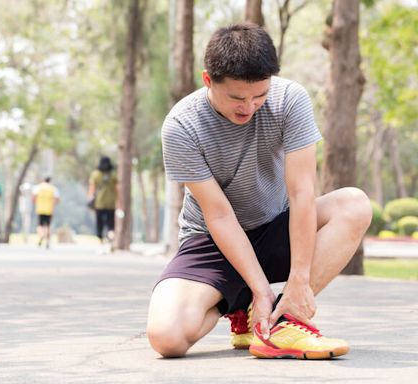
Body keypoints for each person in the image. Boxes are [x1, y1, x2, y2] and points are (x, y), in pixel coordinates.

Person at [147, 23, 372, 360]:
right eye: (237, 97)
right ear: (208, 79)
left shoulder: (290, 99)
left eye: (259, 96)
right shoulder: (181, 126)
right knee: (167, 338)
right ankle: (241, 306)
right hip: (212, 240)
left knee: (354, 204)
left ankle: (284, 322)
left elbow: (301, 194)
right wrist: (259, 289)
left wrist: (298, 281)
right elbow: (219, 215)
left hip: (275, 227)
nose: (249, 107)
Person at [88, 156, 118, 247]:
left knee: (99, 224)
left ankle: (101, 242)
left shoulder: (96, 174)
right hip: (111, 203)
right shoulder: (113, 175)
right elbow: (117, 190)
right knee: (110, 225)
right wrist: (119, 202)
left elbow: (92, 189)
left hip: (99, 203)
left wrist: (89, 199)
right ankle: (111, 238)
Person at [32, 177, 60, 249]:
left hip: (40, 209)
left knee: (40, 225)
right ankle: (47, 241)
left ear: (43, 180)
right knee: (48, 226)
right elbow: (57, 200)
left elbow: (33, 198)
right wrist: (52, 205)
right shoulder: (53, 189)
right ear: (50, 181)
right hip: (49, 210)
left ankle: (41, 236)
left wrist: (37, 203)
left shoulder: (38, 188)